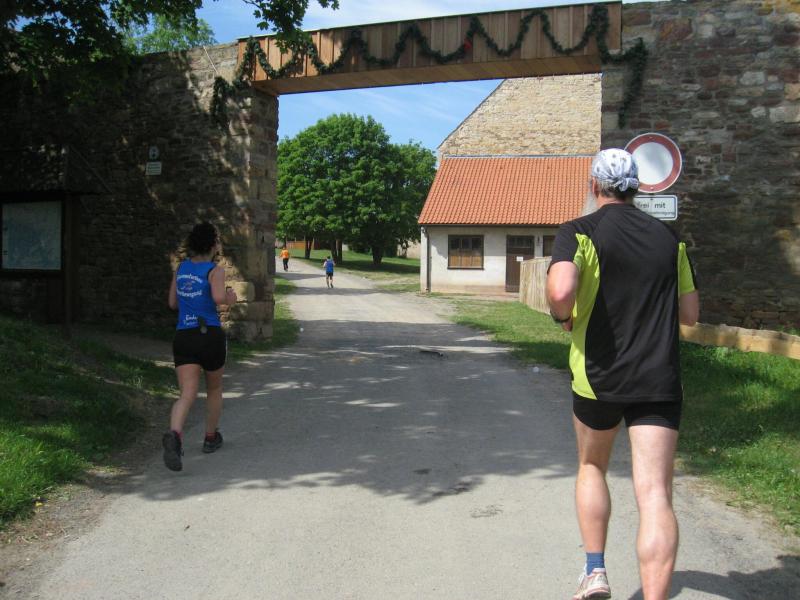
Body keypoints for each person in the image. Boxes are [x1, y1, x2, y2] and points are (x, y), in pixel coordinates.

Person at [546, 149, 699, 600]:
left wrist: (563, 317)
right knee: (655, 494)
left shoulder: (579, 231)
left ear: (594, 185)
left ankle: (595, 571)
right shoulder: (669, 239)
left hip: (599, 376)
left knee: (592, 466)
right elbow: (690, 315)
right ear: (637, 187)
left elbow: (560, 291)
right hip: (658, 379)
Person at [164, 222, 237, 472]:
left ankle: (174, 435)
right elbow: (218, 298)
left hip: (184, 335)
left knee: (187, 394)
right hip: (209, 335)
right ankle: (210, 437)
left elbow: (172, 303)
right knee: (214, 389)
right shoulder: (214, 271)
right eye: (218, 241)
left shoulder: (181, 268)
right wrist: (230, 298)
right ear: (213, 245)